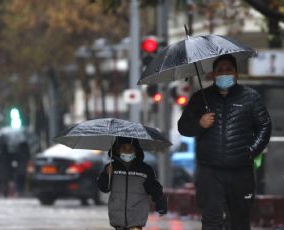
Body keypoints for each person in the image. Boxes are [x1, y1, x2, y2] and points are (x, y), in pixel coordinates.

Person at [178, 54, 272, 229]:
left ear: (236, 73)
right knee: (211, 220)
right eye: (220, 70)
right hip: (209, 171)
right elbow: (183, 127)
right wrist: (199, 123)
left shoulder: (251, 97)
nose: (224, 73)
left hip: (240, 171)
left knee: (239, 221)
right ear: (213, 75)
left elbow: (264, 126)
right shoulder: (201, 98)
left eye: (228, 69)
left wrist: (251, 151)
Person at [98, 137, 167, 230]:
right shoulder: (111, 167)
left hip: (137, 218)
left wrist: (161, 204)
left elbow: (155, 188)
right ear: (117, 150)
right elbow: (104, 188)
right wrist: (106, 175)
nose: (127, 152)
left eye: (131, 149)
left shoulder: (145, 170)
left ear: (136, 151)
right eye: (124, 149)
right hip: (117, 218)